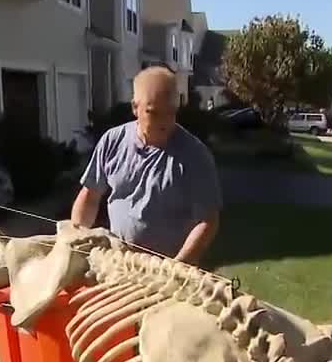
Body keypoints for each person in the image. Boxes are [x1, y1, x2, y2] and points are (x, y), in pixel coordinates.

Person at [70, 66, 222, 265]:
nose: (164, 122)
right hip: (118, 262)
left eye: (170, 112)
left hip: (168, 267)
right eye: (154, 113)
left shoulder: (195, 155)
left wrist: (177, 265)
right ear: (135, 108)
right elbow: (90, 196)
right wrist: (76, 239)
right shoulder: (112, 140)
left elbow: (208, 220)